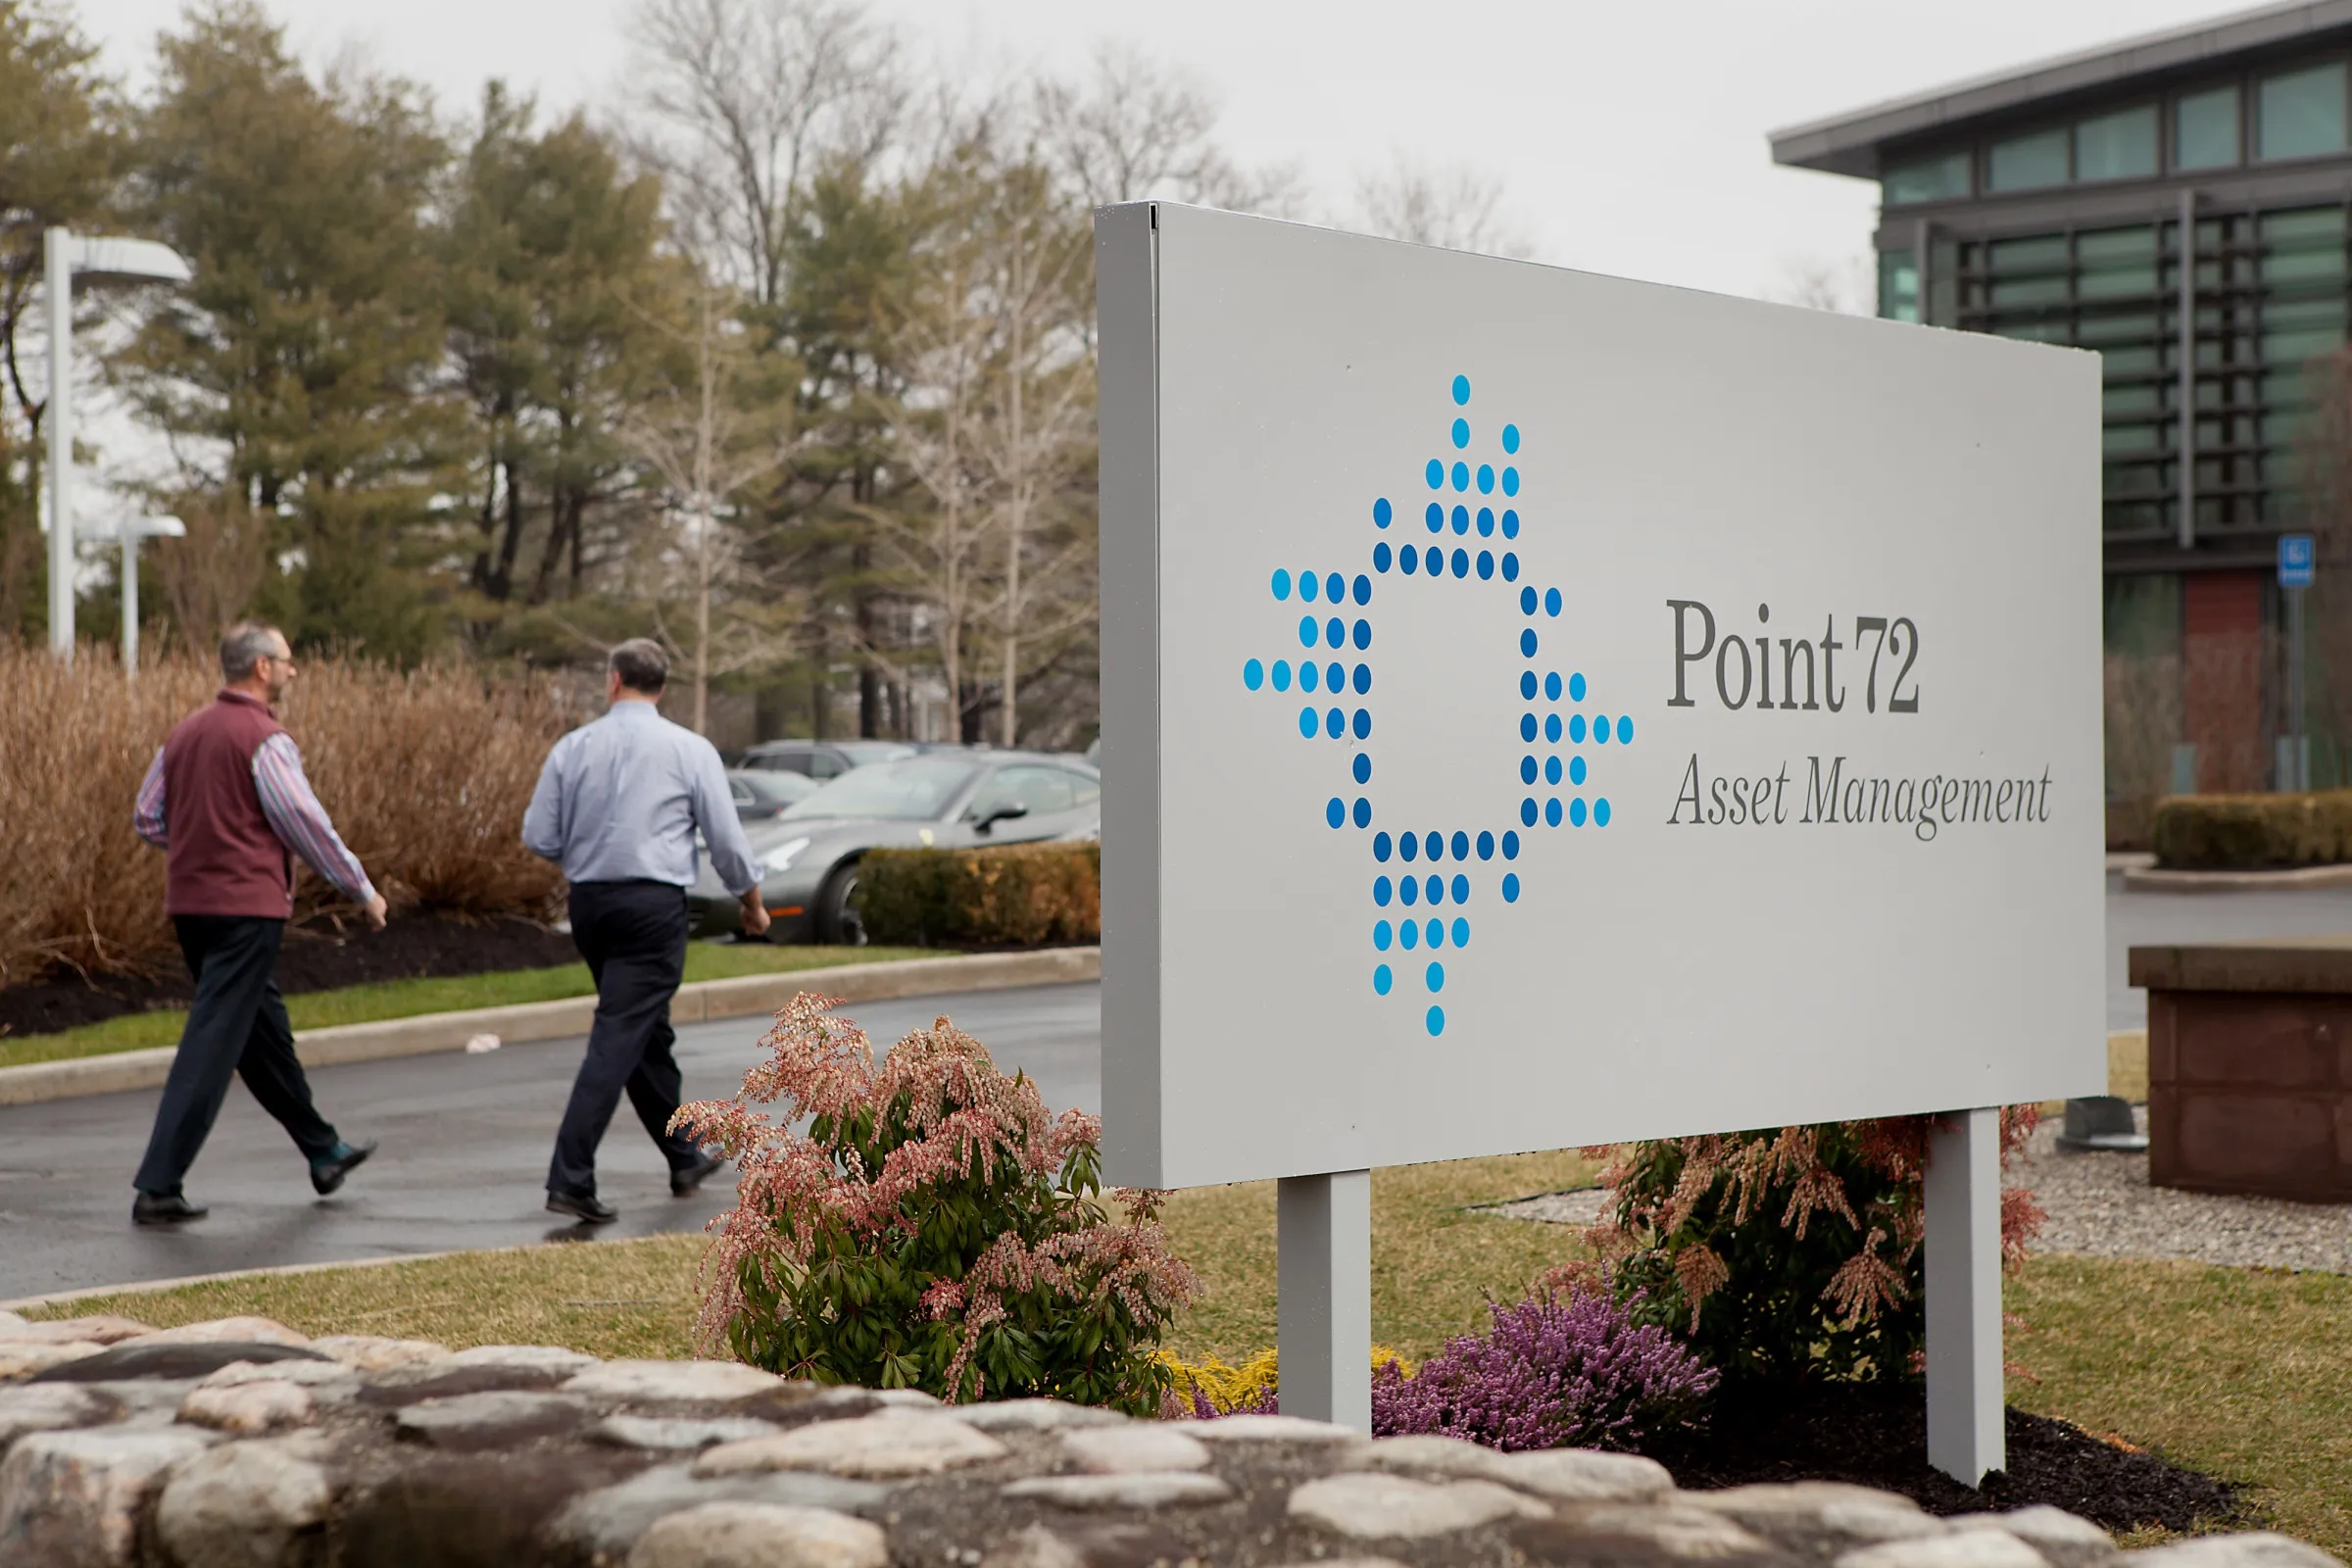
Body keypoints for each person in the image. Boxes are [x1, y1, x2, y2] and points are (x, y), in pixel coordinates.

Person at [128, 622, 383, 1227]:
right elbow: (303, 820)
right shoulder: (265, 738)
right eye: (287, 661)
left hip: (192, 907)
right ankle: (159, 1185)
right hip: (247, 909)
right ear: (262, 669)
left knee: (260, 1031)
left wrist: (202, 848)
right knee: (214, 1041)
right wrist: (360, 887)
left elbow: (147, 817)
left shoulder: (185, 732)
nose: (294, 670)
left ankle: (323, 1150)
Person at [522, 638, 768, 1223]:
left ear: (613, 681)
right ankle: (569, 1176)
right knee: (620, 1033)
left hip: (591, 904)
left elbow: (538, 835)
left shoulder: (572, 747)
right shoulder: (689, 749)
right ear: (662, 688)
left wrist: (585, 853)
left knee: (644, 1033)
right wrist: (752, 902)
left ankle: (683, 1155)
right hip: (651, 906)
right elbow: (728, 842)